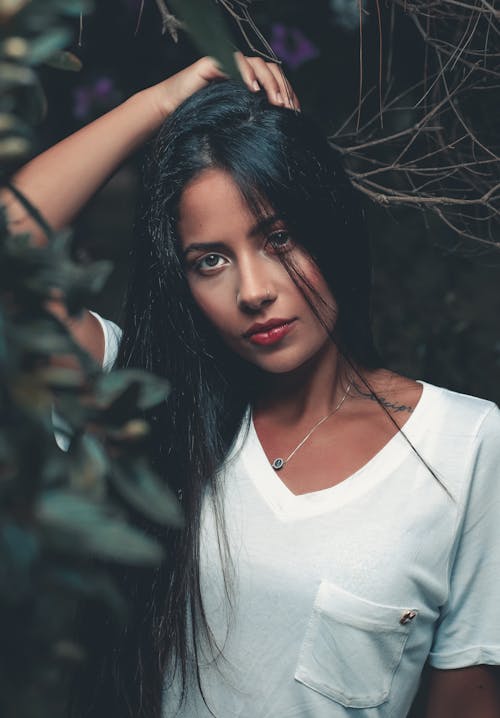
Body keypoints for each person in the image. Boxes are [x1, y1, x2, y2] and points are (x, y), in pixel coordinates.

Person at [3, 54, 500, 718]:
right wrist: (158, 104)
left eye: (279, 238)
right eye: (210, 260)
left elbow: (462, 705)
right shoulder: (148, 402)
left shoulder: (465, 446)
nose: (255, 291)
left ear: (332, 228)